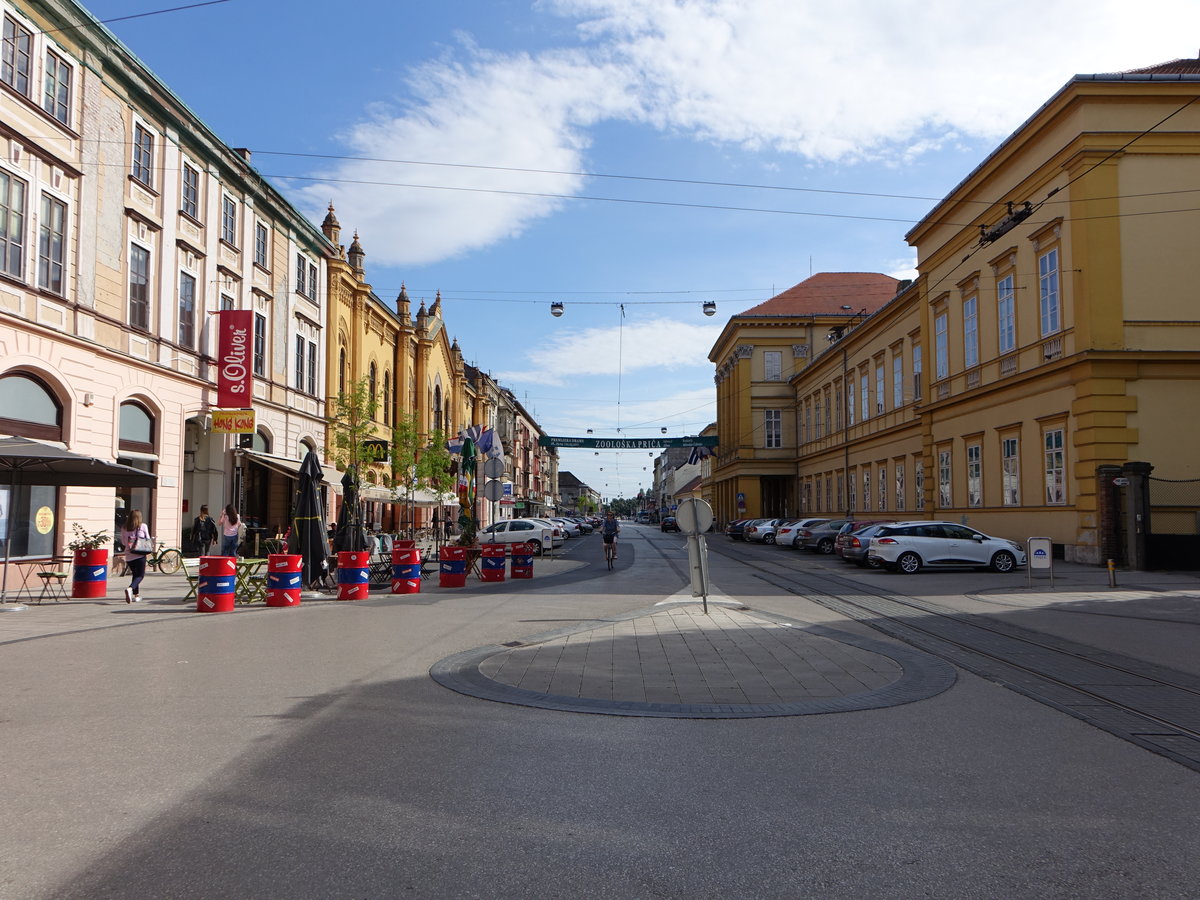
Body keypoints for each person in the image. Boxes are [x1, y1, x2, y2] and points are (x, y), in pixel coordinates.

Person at [119, 509, 152, 603]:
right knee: (140, 575)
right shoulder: (143, 526)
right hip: (140, 554)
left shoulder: (124, 528)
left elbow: (123, 542)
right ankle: (130, 588)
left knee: (135, 574)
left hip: (129, 555)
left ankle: (136, 595)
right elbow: (148, 538)